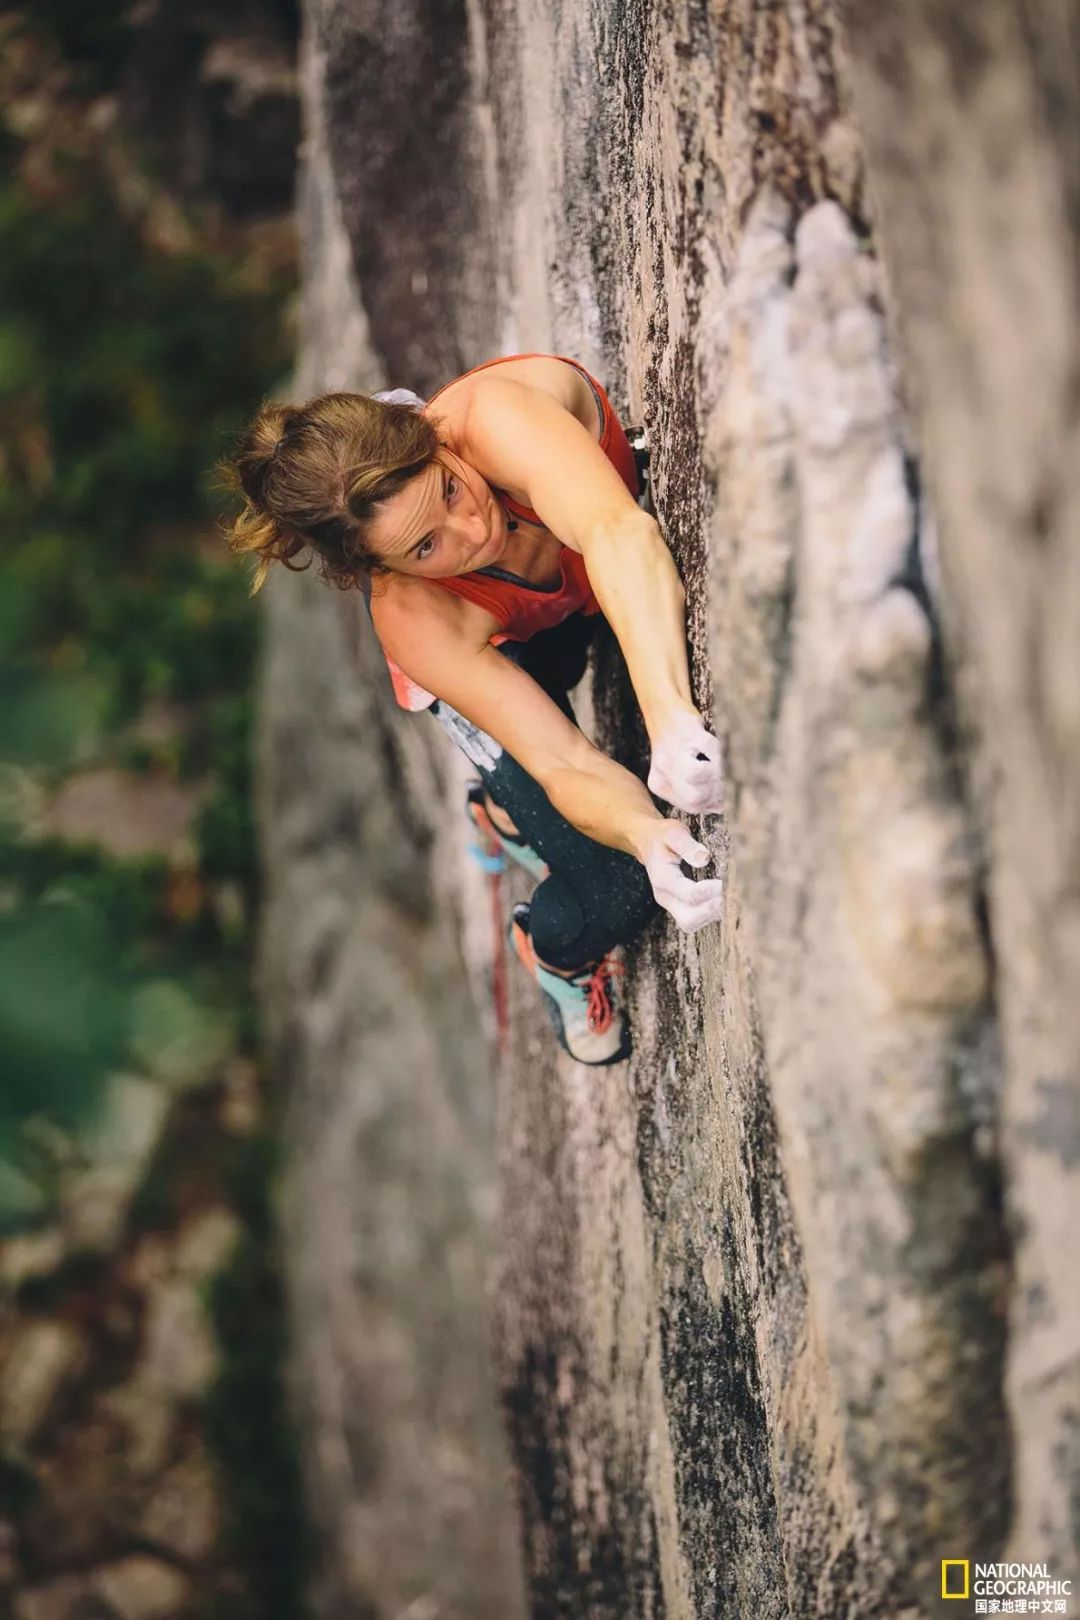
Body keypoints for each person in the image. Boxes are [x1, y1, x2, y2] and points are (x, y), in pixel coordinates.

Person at [224, 352, 724, 1065]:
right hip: (504, 641)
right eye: (425, 546)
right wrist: (649, 838)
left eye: (450, 492)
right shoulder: (414, 615)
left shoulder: (493, 420)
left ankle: (506, 811)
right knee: (622, 889)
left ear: (437, 441)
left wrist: (671, 718)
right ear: (381, 571)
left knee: (601, 622)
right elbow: (564, 760)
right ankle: (553, 950)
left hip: (579, 576)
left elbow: (618, 533)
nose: (471, 531)